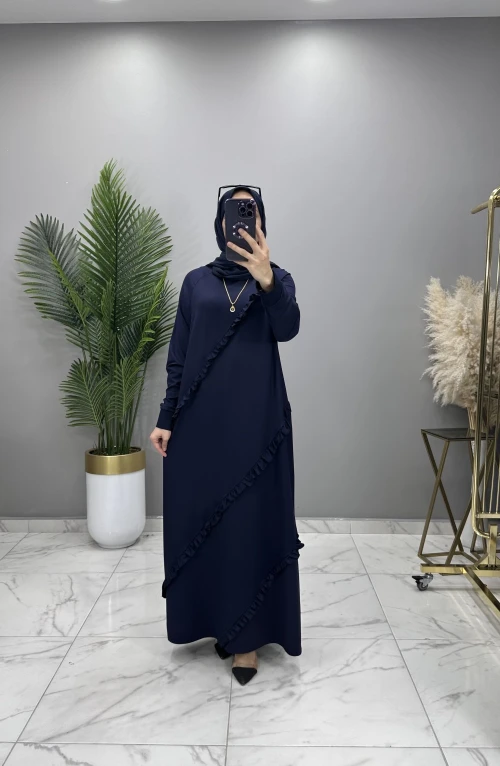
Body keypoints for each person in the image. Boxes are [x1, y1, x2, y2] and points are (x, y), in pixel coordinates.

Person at [149, 185, 303, 685]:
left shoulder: (277, 278)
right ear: (220, 223)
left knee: (248, 525)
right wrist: (166, 417)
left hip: (257, 424)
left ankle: (247, 641)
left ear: (260, 222)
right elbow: (179, 355)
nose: (240, 220)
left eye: (249, 212)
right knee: (208, 524)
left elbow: (288, 328)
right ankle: (213, 619)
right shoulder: (195, 282)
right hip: (201, 424)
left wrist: (267, 280)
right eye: (233, 212)